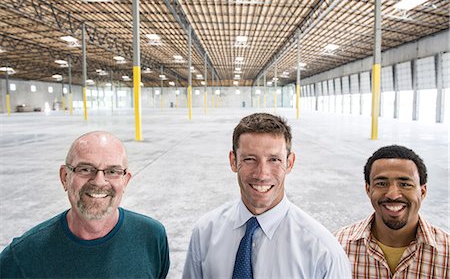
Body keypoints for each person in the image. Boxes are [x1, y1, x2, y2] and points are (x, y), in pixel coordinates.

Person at [182, 113, 351, 279]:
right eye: (249, 159)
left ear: (289, 163)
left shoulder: (323, 252)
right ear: (233, 161)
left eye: (274, 160)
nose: (262, 174)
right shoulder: (205, 232)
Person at [0, 131, 170, 278]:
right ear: (65, 177)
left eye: (112, 171)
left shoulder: (152, 237)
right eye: (85, 169)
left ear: (125, 181)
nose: (99, 182)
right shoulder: (23, 256)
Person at [335, 145, 449, 278]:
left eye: (405, 184)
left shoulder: (447, 254)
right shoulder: (338, 247)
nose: (393, 195)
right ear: (368, 189)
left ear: (422, 191)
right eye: (382, 184)